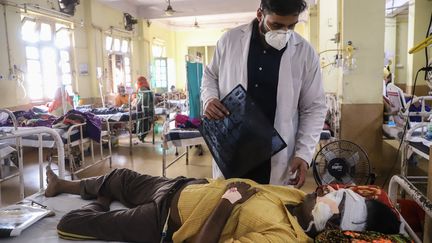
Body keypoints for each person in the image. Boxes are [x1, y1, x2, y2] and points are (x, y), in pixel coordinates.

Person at [45, 167, 401, 243]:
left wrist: (228, 202)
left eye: (333, 198)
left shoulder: (282, 238)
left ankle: (101, 204)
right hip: (180, 185)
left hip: (165, 221)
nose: (322, 191)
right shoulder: (298, 198)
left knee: (73, 222)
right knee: (120, 175)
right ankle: (61, 183)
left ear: (332, 221)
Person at [201, 0, 327, 187]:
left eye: (290, 26)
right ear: (260, 14)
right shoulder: (230, 41)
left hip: (274, 154)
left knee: (269, 209)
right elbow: (211, 75)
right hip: (234, 146)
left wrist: (304, 154)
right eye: (276, 25)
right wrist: (209, 99)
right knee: (229, 202)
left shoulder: (305, 53)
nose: (284, 32)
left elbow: (314, 107)